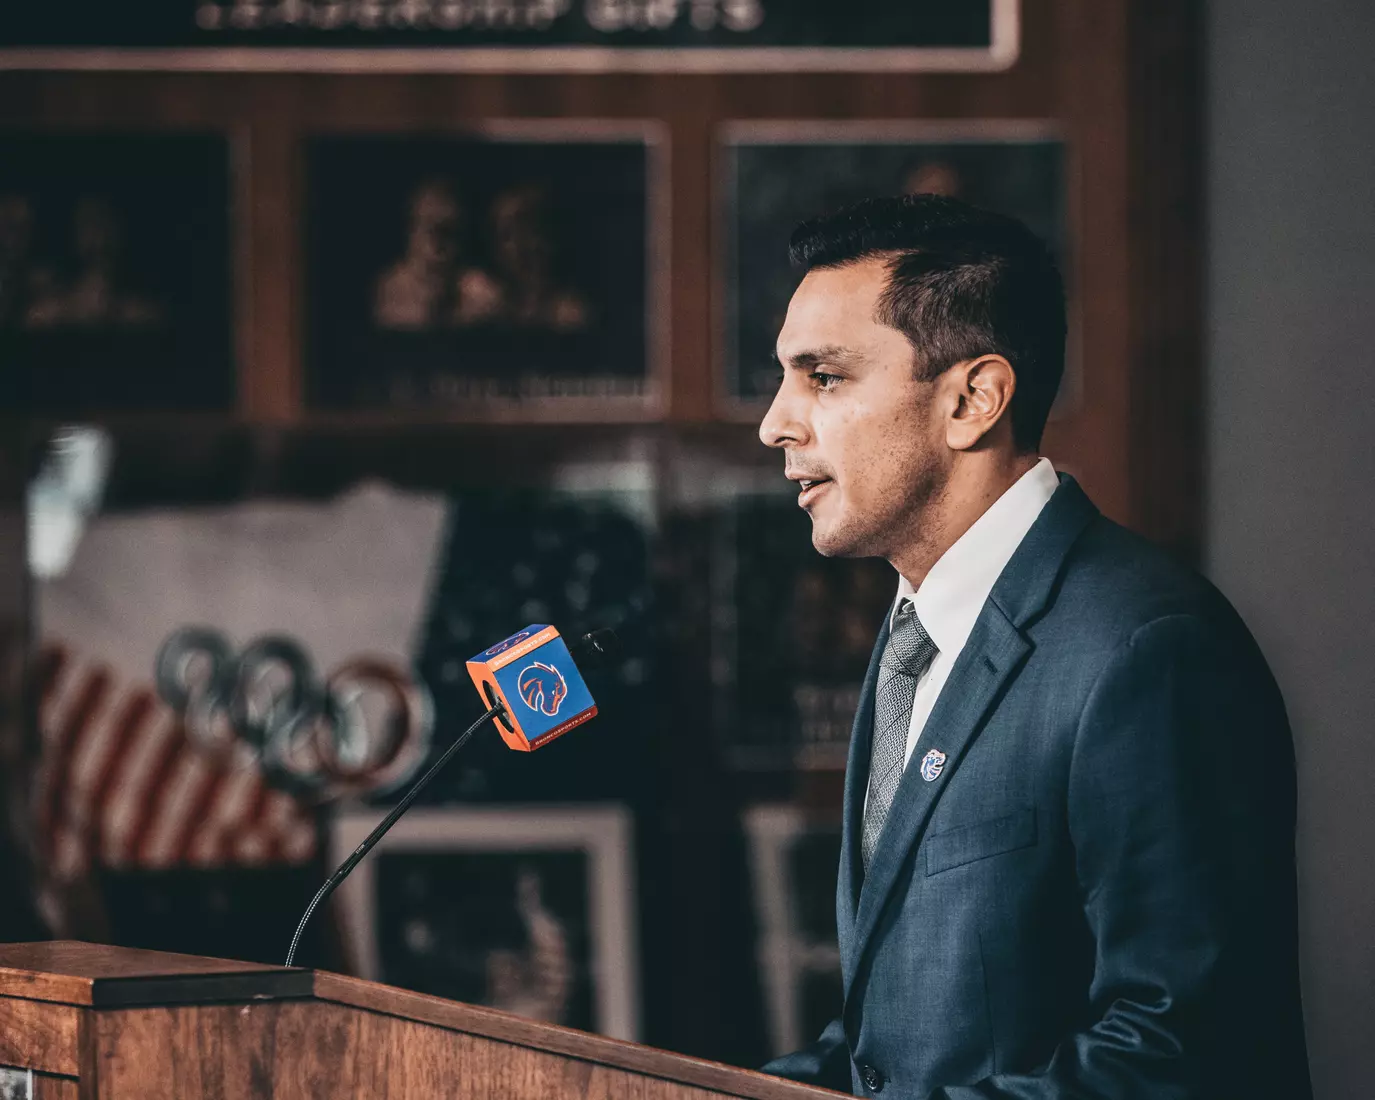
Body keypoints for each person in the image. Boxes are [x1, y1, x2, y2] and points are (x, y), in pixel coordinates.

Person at [758, 193, 1310, 1098]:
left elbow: (1183, 1052)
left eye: (823, 378)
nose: (776, 423)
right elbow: (885, 1034)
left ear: (973, 399)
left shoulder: (1148, 649)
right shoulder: (916, 635)